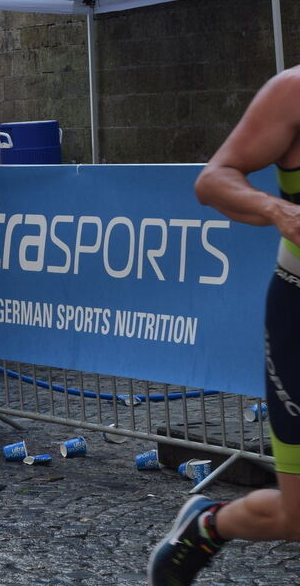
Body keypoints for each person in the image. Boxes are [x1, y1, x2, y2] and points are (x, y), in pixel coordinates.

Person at [147, 66, 300, 584]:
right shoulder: (292, 92)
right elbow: (213, 181)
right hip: (297, 312)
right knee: (295, 516)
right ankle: (207, 526)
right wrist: (279, 211)